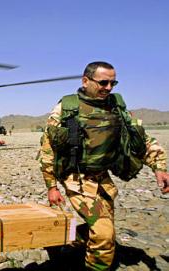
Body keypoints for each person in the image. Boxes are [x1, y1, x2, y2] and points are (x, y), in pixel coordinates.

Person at [39, 61, 169, 270]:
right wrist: (51, 187)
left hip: (102, 179)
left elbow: (140, 138)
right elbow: (48, 150)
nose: (108, 88)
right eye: (103, 82)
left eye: (112, 83)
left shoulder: (116, 106)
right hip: (76, 179)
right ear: (85, 81)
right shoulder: (66, 109)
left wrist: (159, 168)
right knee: (104, 234)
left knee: (103, 228)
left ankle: (64, 240)